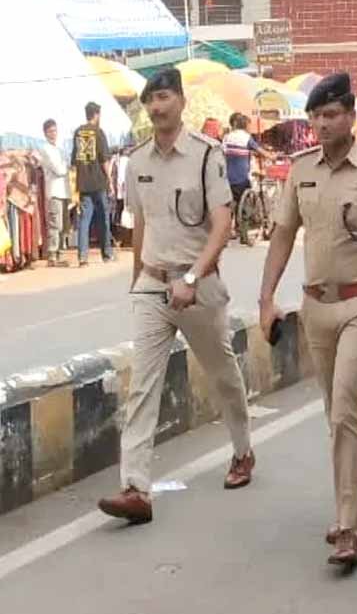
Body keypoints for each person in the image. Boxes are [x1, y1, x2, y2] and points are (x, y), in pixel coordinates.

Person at [259, 72, 357, 566]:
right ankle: (356, 501)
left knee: (347, 407)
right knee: (334, 412)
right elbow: (283, 235)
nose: (322, 124)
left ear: (350, 117)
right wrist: (266, 298)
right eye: (316, 116)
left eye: (331, 115)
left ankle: (347, 526)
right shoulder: (301, 169)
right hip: (316, 309)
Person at [96, 68, 254, 524]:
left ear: (181, 102)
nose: (156, 107)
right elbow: (141, 224)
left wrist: (193, 276)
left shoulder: (206, 155)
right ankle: (135, 488)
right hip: (153, 284)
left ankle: (243, 451)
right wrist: (136, 279)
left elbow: (222, 224)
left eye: (164, 97)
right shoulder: (138, 161)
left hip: (198, 285)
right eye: (150, 100)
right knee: (142, 386)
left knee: (223, 375)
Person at [72, 101, 113, 266]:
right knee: (103, 219)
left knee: (84, 220)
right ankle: (106, 254)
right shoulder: (98, 132)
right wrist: (109, 179)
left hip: (83, 183)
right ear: (96, 115)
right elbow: (104, 159)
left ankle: (83, 257)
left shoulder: (78, 132)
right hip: (98, 182)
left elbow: (74, 161)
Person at [223, 113, 274, 213]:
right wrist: (272, 156)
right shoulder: (246, 137)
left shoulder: (227, 137)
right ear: (246, 125)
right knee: (246, 201)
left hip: (227, 178)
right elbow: (262, 152)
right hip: (242, 178)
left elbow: (225, 152)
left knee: (231, 202)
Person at [38, 119, 70, 267]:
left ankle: (60, 254)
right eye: (51, 131)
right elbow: (59, 169)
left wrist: (65, 166)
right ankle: (52, 256)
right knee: (55, 225)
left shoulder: (59, 149)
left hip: (64, 191)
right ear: (45, 133)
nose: (54, 134)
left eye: (55, 131)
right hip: (54, 191)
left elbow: (66, 166)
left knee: (64, 225)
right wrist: (65, 166)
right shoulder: (45, 149)